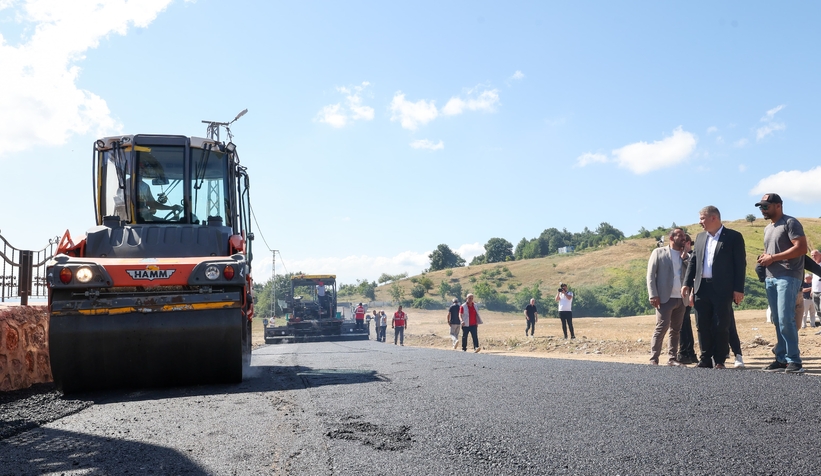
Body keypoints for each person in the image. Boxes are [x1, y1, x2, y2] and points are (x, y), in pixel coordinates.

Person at [681, 206, 746, 369]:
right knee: (702, 324)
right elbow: (693, 262)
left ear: (713, 218)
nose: (700, 222)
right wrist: (687, 284)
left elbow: (740, 264)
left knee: (721, 324)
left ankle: (719, 360)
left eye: (702, 218)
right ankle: (705, 358)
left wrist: (738, 289)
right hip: (702, 288)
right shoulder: (700, 237)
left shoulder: (733, 237)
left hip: (723, 289)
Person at [755, 193, 808, 373]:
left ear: (778, 205)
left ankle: (794, 360)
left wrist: (773, 257)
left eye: (766, 206)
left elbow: (801, 247)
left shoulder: (790, 223)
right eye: (761, 206)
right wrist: (764, 257)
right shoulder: (767, 228)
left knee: (786, 318)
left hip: (788, 275)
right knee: (778, 320)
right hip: (771, 277)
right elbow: (770, 250)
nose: (762, 210)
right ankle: (781, 359)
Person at [646, 227, 688, 366]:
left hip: (681, 298)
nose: (683, 237)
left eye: (684, 235)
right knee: (661, 327)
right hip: (664, 297)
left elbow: (690, 273)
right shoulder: (658, 252)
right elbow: (651, 275)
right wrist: (653, 295)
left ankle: (672, 358)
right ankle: (654, 358)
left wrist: (686, 257)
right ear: (671, 238)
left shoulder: (686, 255)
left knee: (676, 330)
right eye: (680, 235)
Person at [677, 235, 699, 365]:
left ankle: (687, 352)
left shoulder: (691, 256)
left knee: (683, 323)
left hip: (686, 293)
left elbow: (693, 275)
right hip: (678, 293)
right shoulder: (677, 255)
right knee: (682, 324)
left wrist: (692, 293)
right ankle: (687, 352)